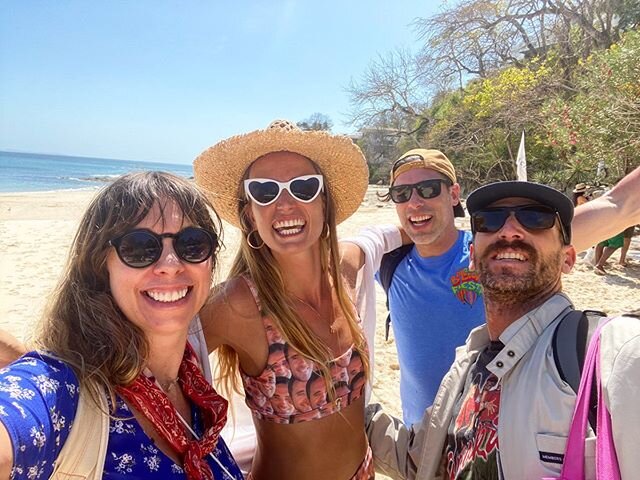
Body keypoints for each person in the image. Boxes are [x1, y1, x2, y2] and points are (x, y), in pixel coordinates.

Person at [365, 180, 640, 479]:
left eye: (536, 218)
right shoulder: (466, 368)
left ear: (568, 258)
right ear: (472, 256)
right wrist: (341, 398)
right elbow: (421, 458)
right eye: (490, 220)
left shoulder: (610, 353)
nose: (508, 230)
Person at [341, 151, 640, 425]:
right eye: (401, 193)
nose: (415, 202)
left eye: (429, 189)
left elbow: (619, 206)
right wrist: (361, 245)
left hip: (499, 437)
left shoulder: (496, 252)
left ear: (454, 194)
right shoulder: (389, 264)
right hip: (422, 445)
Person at [0, 172, 243, 479]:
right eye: (140, 248)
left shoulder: (192, 385)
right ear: (101, 267)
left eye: (191, 244)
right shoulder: (62, 389)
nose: (170, 264)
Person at [192, 120, 374, 479]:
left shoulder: (342, 274)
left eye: (304, 188)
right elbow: (154, 357)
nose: (285, 204)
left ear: (325, 203)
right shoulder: (237, 305)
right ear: (250, 214)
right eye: (264, 191)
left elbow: (373, 242)